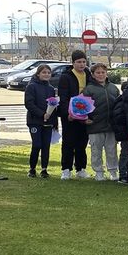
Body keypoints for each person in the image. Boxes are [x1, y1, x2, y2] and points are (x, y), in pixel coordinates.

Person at [57, 51, 92, 179]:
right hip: (70, 115)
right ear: (73, 63)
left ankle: (81, 168)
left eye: (83, 61)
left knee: (82, 142)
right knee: (68, 142)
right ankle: (66, 169)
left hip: (84, 112)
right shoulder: (66, 76)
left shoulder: (88, 74)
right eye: (78, 62)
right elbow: (63, 97)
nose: (81, 64)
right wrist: (68, 113)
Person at [83, 63, 120, 181]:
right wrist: (85, 118)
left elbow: (119, 105)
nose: (101, 75)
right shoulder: (88, 89)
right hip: (95, 125)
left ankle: (113, 171)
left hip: (110, 126)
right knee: (96, 150)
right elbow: (82, 106)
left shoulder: (113, 88)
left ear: (106, 73)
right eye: (98, 73)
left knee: (111, 150)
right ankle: (98, 172)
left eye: (103, 72)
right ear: (93, 75)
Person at [23, 63, 60, 178]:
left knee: (46, 146)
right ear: (38, 74)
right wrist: (41, 114)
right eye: (44, 72)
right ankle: (32, 168)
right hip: (35, 121)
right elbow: (29, 103)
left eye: (48, 73)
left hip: (48, 122)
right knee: (37, 144)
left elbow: (53, 105)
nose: (46, 74)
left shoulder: (50, 88)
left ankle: (44, 169)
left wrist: (53, 121)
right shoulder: (31, 86)